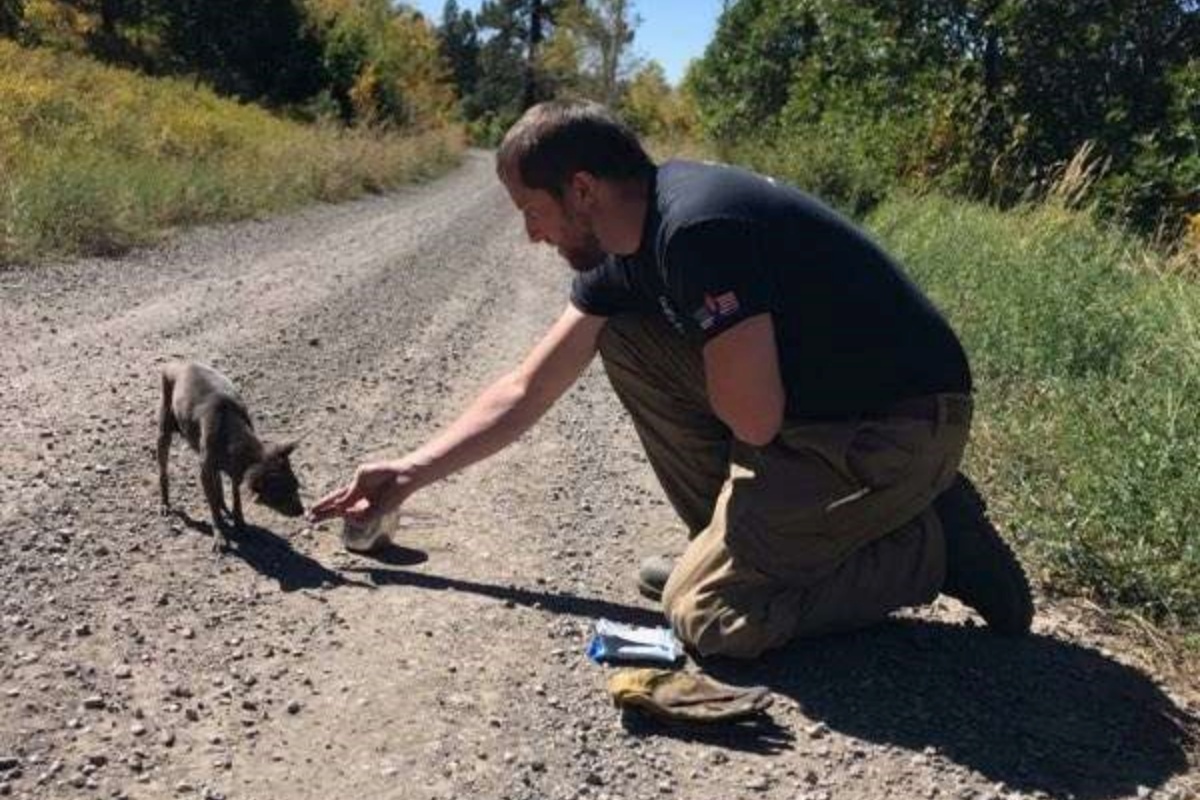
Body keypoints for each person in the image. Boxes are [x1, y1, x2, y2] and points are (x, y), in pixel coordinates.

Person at [310, 100, 1033, 659]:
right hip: (816, 416)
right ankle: (751, 549)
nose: (531, 235)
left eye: (534, 212)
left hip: (901, 424)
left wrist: (703, 327)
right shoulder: (627, 248)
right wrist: (408, 471)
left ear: (582, 189)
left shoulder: (695, 232)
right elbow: (528, 388)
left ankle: (933, 548)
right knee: (618, 331)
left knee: (710, 618)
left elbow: (752, 422)